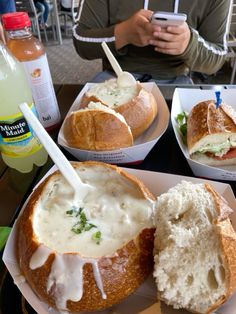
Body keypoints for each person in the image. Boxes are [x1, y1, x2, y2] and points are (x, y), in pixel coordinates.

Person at [72, 0, 231, 84]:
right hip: (115, 77)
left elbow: (217, 60)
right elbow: (81, 41)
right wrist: (123, 34)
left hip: (176, 81)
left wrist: (189, 44)